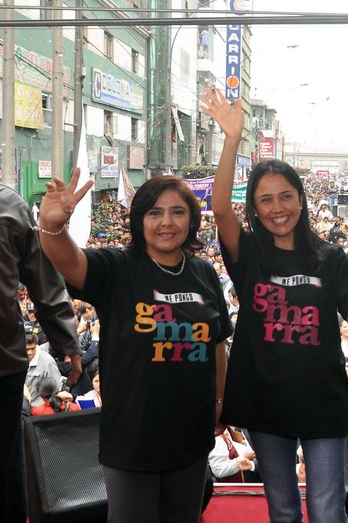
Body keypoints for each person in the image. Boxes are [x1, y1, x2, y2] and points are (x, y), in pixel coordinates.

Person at [202, 87, 348, 523]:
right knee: (284, 510)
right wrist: (233, 139)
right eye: (265, 200)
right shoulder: (247, 254)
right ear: (254, 207)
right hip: (264, 399)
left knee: (328, 509)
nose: (277, 208)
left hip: (322, 399)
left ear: (302, 199)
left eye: (286, 196)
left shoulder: (331, 258)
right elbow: (219, 210)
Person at [38, 171, 232, 523]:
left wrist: (219, 401)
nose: (167, 222)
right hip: (132, 435)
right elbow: (68, 261)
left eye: (177, 212)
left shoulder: (205, 273)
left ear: (191, 219)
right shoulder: (117, 268)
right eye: (155, 213)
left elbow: (217, 341)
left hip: (191, 432)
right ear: (139, 219)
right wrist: (51, 227)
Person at [0, 184, 82, 523]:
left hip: (4, 364)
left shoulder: (9, 206)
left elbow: (43, 280)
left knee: (6, 463)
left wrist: (67, 341)